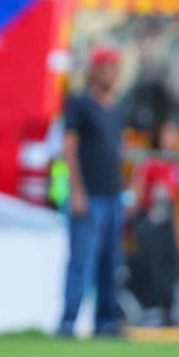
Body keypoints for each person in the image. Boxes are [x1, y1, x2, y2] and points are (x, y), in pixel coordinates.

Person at [58, 46, 126, 338]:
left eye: (115, 68)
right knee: (82, 262)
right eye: (107, 68)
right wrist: (77, 192)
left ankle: (106, 323)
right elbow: (69, 148)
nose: (112, 74)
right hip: (90, 196)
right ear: (94, 71)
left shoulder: (115, 109)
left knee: (110, 264)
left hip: (113, 196)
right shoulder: (79, 104)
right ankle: (68, 323)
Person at [125, 121, 179, 326]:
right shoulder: (150, 161)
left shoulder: (176, 162)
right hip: (150, 223)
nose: (172, 139)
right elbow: (137, 188)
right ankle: (151, 311)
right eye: (168, 134)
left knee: (169, 269)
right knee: (152, 269)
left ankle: (167, 313)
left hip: (167, 224)